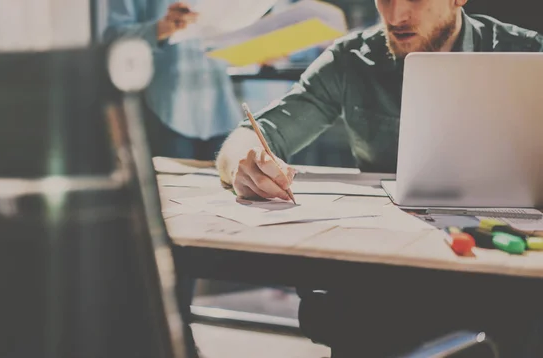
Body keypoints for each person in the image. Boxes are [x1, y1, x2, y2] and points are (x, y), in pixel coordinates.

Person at [216, 0, 543, 356]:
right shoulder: (351, 58)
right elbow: (252, 134)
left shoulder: (527, 52)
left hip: (505, 263)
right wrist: (245, 165)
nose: (395, 15)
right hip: (389, 273)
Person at [103, 0, 242, 161]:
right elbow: (114, 38)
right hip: (167, 114)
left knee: (229, 184)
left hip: (221, 109)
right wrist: (161, 29)